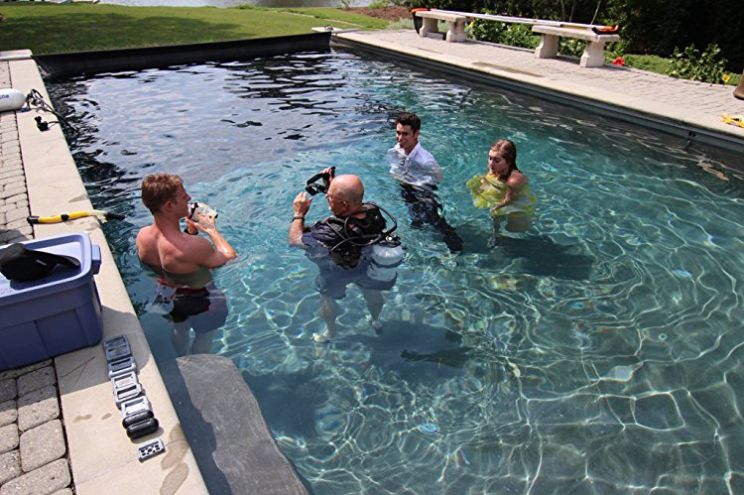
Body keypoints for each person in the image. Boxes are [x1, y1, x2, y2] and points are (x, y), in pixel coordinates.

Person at [289, 168, 399, 343]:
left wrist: (299, 214)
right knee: (372, 291)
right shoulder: (373, 212)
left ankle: (330, 332)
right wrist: (333, 185)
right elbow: (349, 201)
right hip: (366, 265)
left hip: (337, 271)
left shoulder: (329, 232)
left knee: (327, 298)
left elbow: (295, 241)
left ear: (344, 205)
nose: (327, 197)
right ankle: (376, 321)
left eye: (330, 197)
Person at [136, 173, 237, 355]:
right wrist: (211, 230)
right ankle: (197, 365)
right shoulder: (194, 247)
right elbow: (229, 257)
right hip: (204, 302)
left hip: (169, 297)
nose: (189, 198)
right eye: (183, 197)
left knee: (179, 328)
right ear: (169, 206)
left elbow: (177, 255)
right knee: (203, 338)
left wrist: (189, 233)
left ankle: (181, 357)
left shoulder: (142, 237)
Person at [387, 112, 463, 252]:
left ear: (416, 134)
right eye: (398, 133)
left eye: (405, 134)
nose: (400, 138)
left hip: (423, 193)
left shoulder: (425, 160)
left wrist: (419, 184)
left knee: (435, 221)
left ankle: (456, 245)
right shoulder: (397, 149)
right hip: (407, 189)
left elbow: (438, 178)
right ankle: (416, 237)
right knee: (415, 217)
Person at [466, 139, 536, 244]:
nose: (491, 163)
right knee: (496, 222)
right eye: (490, 158)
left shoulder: (515, 180)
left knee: (516, 232)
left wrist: (495, 207)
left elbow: (509, 200)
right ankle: (496, 235)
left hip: (516, 206)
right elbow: (488, 178)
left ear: (509, 161)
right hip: (500, 196)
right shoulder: (494, 168)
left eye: (496, 160)